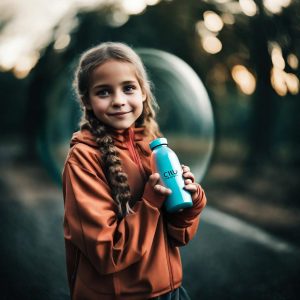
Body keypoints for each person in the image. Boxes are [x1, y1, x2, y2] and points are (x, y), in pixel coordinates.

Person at [62, 41, 207, 300]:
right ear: (87, 101)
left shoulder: (152, 145)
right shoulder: (83, 158)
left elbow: (178, 237)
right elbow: (106, 253)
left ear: (143, 92)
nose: (119, 101)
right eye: (104, 92)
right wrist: (150, 203)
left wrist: (188, 200)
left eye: (128, 88)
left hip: (171, 291)